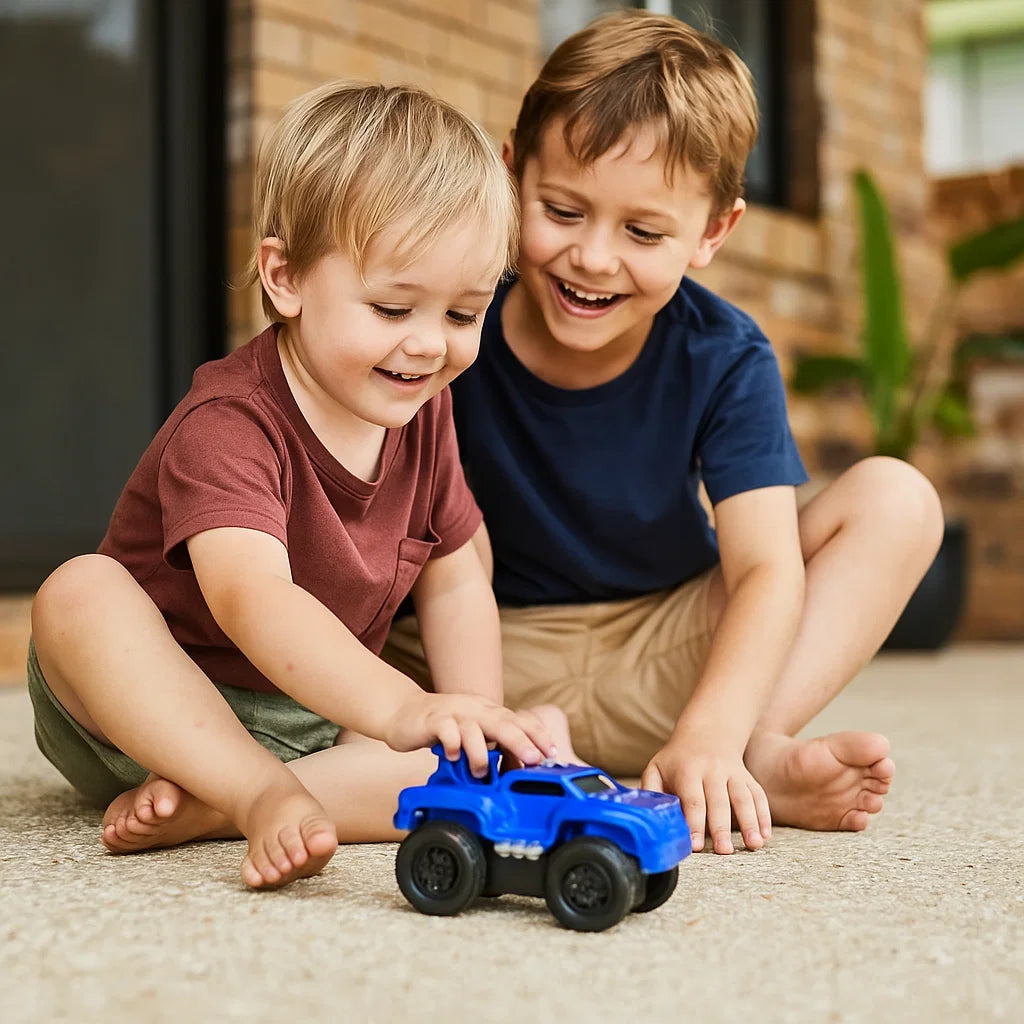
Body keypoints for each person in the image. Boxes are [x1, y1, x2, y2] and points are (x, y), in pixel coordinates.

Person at [384, 10, 945, 855]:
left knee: (897, 500)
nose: (595, 258)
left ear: (713, 232)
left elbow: (762, 568)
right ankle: (698, 760)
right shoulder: (451, 321)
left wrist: (713, 725)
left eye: (643, 232)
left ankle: (733, 756)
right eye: (563, 211)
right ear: (511, 176)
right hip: (473, 658)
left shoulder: (721, 353)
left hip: (668, 654)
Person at [27, 82, 566, 890]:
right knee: (78, 592)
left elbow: (457, 581)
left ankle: (222, 803)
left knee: (429, 783)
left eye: (463, 315)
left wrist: (469, 725)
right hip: (148, 703)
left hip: (313, 713)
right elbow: (253, 601)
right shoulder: (230, 422)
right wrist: (396, 708)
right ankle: (249, 789)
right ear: (285, 279)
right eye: (391, 307)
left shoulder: (425, 412)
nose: (427, 346)